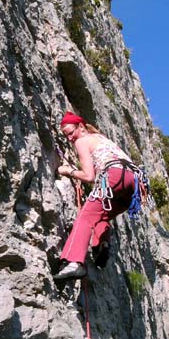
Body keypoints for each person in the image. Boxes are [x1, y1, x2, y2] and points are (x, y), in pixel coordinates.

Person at [55, 111, 136, 279]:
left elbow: (89, 176)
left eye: (71, 133)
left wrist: (68, 170)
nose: (70, 138)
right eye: (66, 136)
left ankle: (74, 262)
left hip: (114, 176)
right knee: (101, 215)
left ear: (81, 127)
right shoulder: (102, 138)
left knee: (86, 216)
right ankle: (102, 245)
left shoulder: (82, 141)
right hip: (134, 184)